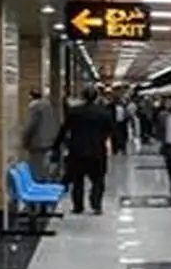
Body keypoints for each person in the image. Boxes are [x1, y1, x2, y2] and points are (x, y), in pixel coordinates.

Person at [53, 85, 114, 215]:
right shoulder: (104, 113)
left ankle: (78, 206)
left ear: (83, 96)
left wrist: (56, 146)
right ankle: (96, 204)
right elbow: (110, 131)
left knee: (77, 180)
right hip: (97, 151)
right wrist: (101, 139)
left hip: (77, 151)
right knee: (98, 180)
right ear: (96, 97)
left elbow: (64, 130)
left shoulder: (74, 112)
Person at [21, 88, 58, 181]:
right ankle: (45, 180)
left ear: (31, 97)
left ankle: (39, 182)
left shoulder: (34, 107)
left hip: (37, 142)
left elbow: (31, 125)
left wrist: (25, 140)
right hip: (48, 141)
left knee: (36, 167)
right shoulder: (48, 106)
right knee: (45, 165)